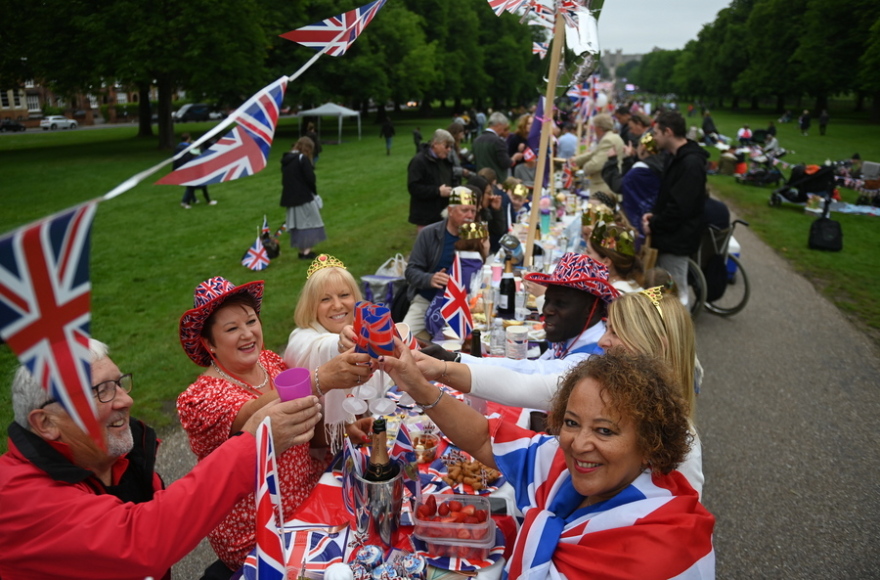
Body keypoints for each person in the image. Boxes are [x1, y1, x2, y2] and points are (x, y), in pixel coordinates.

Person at [0, 339, 322, 579]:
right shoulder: (16, 496)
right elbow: (141, 542)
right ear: (46, 423)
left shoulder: (120, 458)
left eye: (119, 383)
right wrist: (253, 443)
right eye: (101, 391)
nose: (126, 399)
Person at [380, 348, 715, 578]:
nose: (579, 444)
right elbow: (485, 439)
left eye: (604, 430)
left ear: (649, 445)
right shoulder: (561, 464)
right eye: (571, 423)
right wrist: (418, 387)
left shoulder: (658, 552)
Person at [176, 276, 371, 573]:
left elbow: (303, 428)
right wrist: (322, 378)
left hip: (309, 500)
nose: (247, 334)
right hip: (259, 531)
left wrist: (344, 432)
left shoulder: (270, 363)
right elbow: (257, 417)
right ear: (208, 344)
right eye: (231, 328)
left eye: (250, 321)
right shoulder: (201, 399)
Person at [283, 254, 381, 452]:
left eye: (344, 295)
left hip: (358, 435)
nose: (337, 305)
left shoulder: (364, 329)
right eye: (325, 299)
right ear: (312, 306)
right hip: (320, 452)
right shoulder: (301, 337)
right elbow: (321, 346)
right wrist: (340, 344)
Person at [642, 110, 708, 306]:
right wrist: (654, 216)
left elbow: (680, 208)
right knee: (665, 289)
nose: (653, 137)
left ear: (668, 132)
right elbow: (669, 197)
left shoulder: (690, 163)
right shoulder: (675, 157)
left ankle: (680, 334)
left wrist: (654, 224)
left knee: (676, 295)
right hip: (668, 235)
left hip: (677, 239)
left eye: (656, 132)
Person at [402, 186, 477, 340]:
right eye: (464, 210)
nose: (470, 216)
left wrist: (484, 247)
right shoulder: (430, 233)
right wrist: (430, 279)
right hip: (428, 300)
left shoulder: (475, 233)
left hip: (466, 302)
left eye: (473, 211)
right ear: (450, 210)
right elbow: (411, 271)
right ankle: (428, 342)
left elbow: (483, 269)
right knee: (402, 338)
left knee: (473, 340)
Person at [424, 221, 490, 342]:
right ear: (482, 242)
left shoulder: (463, 261)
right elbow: (469, 299)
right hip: (443, 323)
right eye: (488, 240)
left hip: (435, 315)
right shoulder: (471, 266)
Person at [603, 131, 664, 236]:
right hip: (653, 217)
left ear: (643, 148)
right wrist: (628, 159)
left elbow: (619, 185)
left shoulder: (641, 169)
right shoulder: (662, 163)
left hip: (637, 220)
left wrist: (612, 160)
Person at [281, 137, 324, 259]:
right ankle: (306, 251)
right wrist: (314, 193)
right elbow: (310, 179)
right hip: (303, 196)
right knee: (309, 222)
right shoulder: (302, 159)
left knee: (298, 224)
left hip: (290, 196)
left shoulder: (287, 160)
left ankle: (302, 250)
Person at [406, 128, 455, 230]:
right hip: (426, 216)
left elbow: (452, 179)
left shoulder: (446, 161)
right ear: (435, 144)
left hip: (444, 213)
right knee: (428, 244)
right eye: (446, 146)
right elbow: (414, 187)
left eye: (451, 147)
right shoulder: (418, 162)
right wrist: (437, 191)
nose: (449, 149)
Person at [571, 113, 625, 196]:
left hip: (603, 186)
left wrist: (584, 168)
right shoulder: (611, 137)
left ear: (599, 128)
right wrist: (577, 160)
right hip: (607, 184)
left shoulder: (608, 140)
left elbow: (595, 164)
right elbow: (594, 153)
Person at [585, 222, 645, 293]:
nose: (583, 255)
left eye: (588, 252)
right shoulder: (629, 283)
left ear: (606, 262)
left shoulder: (613, 296)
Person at [473, 111, 522, 181]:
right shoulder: (498, 141)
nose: (504, 130)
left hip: (481, 180)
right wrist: (514, 157)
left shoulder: (476, 140)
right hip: (496, 180)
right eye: (504, 127)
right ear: (499, 125)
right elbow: (506, 163)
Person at [174, 133, 217, 209]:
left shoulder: (179, 147)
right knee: (193, 187)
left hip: (184, 169)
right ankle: (186, 202)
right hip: (193, 171)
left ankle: (195, 200)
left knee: (192, 186)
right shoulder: (192, 152)